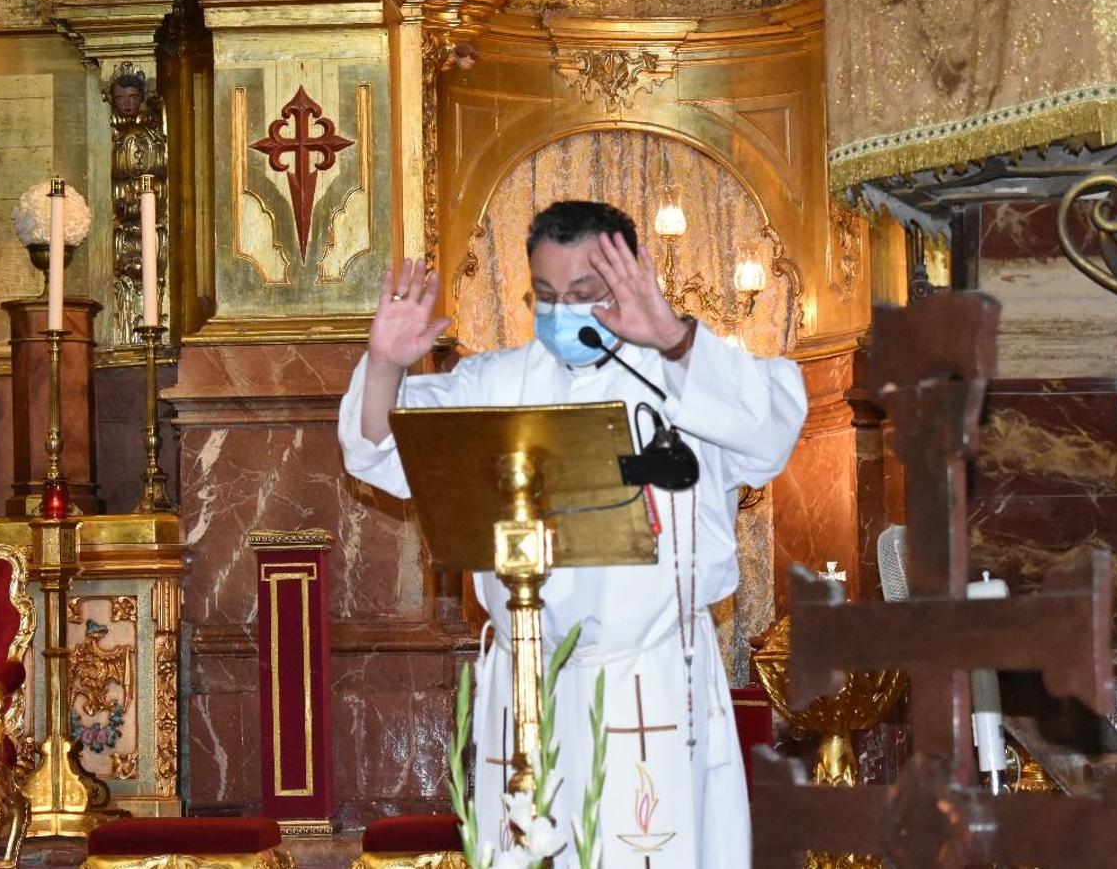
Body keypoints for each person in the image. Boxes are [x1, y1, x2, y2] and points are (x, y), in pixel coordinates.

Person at [338, 201, 807, 868]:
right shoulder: (495, 383)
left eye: (585, 295)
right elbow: (380, 452)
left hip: (652, 677)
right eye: (548, 297)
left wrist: (672, 337)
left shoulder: (688, 372)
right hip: (531, 681)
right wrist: (384, 365)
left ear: (632, 278)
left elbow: (774, 428)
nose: (564, 314)